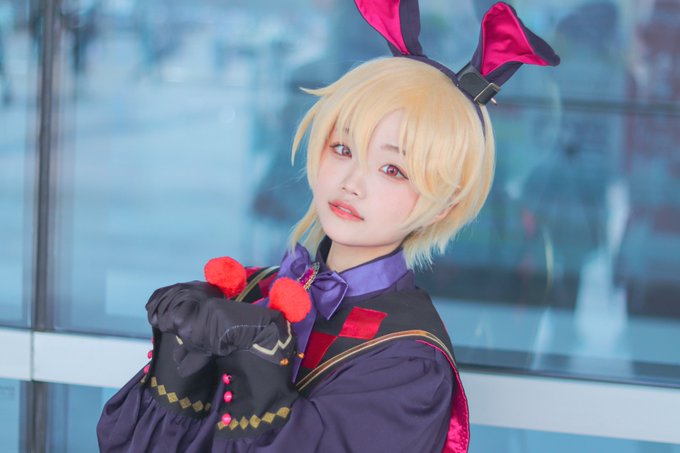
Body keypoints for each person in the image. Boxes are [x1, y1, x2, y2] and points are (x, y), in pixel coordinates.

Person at [97, 1, 559, 452]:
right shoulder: (252, 292)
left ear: (442, 205)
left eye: (393, 169)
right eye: (343, 148)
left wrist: (259, 377)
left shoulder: (408, 360)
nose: (351, 183)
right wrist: (179, 364)